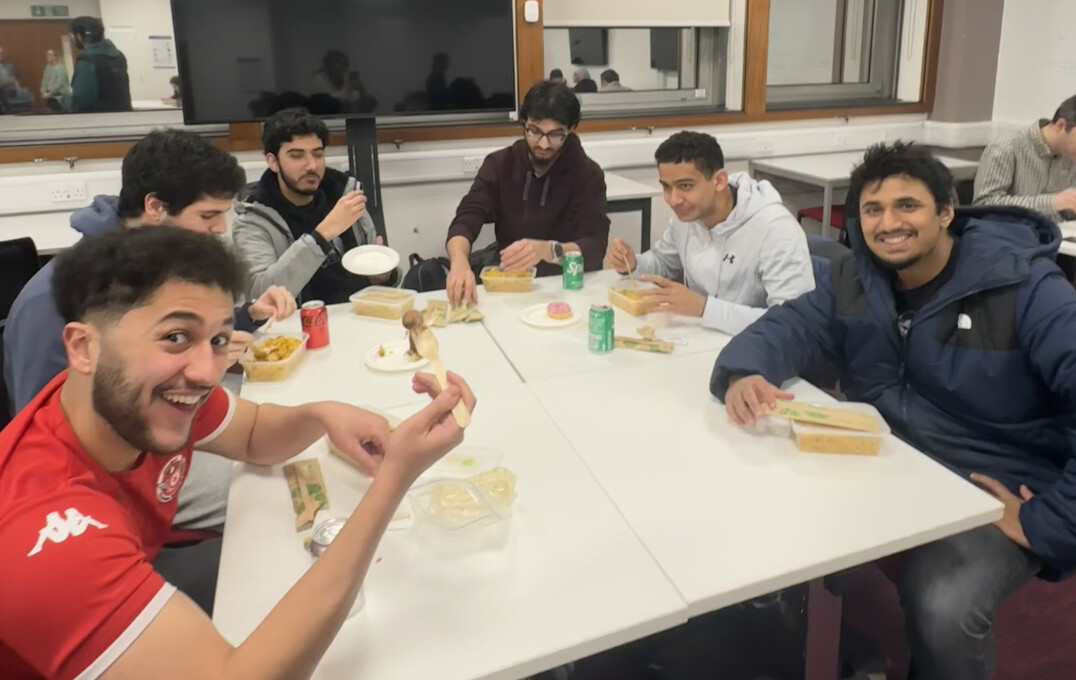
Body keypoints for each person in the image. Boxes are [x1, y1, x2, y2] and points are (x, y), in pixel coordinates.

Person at [0, 225, 476, 680]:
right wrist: (394, 479)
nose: (208, 371)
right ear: (84, 348)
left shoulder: (125, 396)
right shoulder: (41, 530)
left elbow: (251, 435)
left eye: (219, 340)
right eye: (175, 337)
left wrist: (321, 415)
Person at [711, 142, 1076, 680]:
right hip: (892, 456)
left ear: (946, 211)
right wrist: (746, 370)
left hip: (994, 477)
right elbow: (791, 327)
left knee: (944, 606)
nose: (889, 224)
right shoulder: (857, 279)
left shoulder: (1025, 288)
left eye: (908, 206)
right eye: (873, 209)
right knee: (752, 505)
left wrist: (1051, 522)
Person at [605, 131, 813, 335]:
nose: (673, 199)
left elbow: (792, 324)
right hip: (700, 338)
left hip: (758, 353)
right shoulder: (688, 217)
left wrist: (705, 309)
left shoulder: (776, 230)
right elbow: (662, 261)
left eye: (685, 186)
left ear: (719, 181)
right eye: (666, 187)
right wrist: (633, 264)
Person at [445, 80, 610, 305]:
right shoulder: (500, 164)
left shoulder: (587, 174)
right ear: (524, 123)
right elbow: (467, 217)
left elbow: (594, 246)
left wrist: (549, 250)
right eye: (534, 131)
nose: (543, 144)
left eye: (554, 135)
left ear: (570, 130)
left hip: (564, 288)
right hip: (510, 283)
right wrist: (458, 262)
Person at [233, 107, 395, 304]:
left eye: (318, 154)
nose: (311, 165)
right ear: (273, 162)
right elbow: (259, 295)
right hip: (299, 326)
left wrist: (383, 276)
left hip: (358, 314)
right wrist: (323, 234)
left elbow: (379, 281)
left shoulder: (345, 194)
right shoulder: (253, 219)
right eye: (296, 155)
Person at [973, 94, 1076, 221]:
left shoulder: (1069, 156)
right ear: (1060, 125)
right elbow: (983, 205)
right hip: (1008, 235)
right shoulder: (1005, 149)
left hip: (1056, 234)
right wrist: (1052, 203)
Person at [69, 15, 131, 113]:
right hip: (124, 114)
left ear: (79, 37)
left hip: (98, 120)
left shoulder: (87, 60)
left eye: (72, 35)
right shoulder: (119, 55)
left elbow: (81, 99)